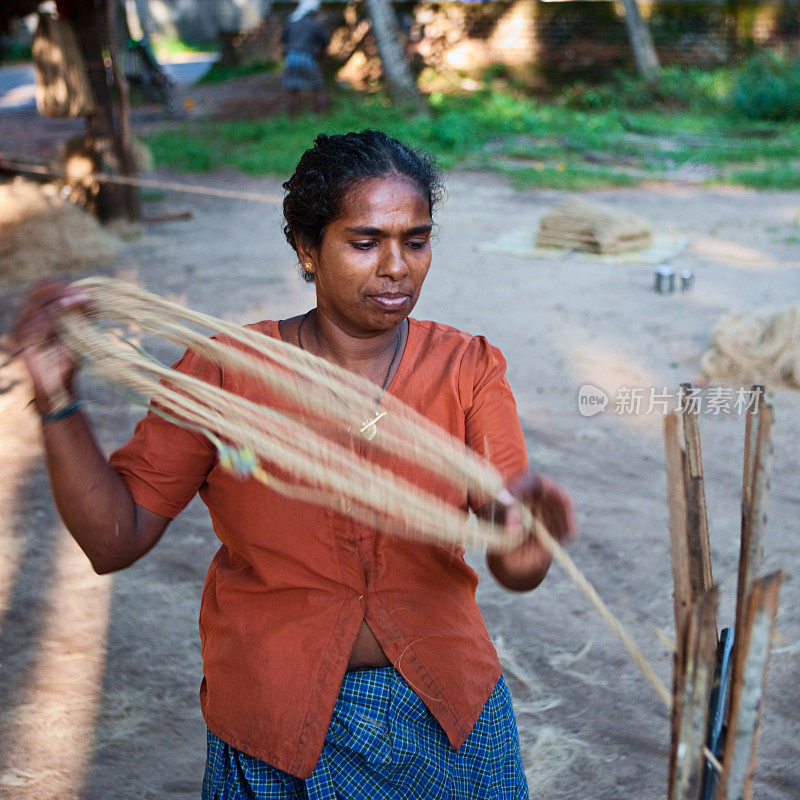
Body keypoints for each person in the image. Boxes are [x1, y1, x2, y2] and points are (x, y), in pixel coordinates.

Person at [13, 130, 576, 799]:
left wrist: (530, 533)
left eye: (416, 240)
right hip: (274, 724)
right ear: (307, 251)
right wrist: (56, 399)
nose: (397, 266)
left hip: (445, 715)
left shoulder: (468, 369)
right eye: (365, 242)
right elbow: (116, 537)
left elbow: (514, 563)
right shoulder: (226, 371)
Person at [281, 0, 330, 115]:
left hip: (290, 58)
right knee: (319, 88)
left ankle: (292, 121)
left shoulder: (291, 22)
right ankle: (320, 118)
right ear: (313, 11)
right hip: (306, 57)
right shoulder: (315, 23)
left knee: (293, 91)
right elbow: (324, 43)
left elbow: (283, 40)